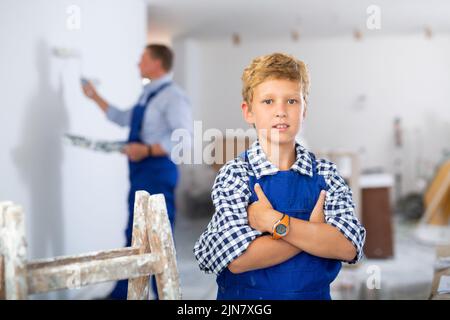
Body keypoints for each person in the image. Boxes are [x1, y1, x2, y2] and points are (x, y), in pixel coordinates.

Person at [193, 52, 366, 300]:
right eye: (268, 101)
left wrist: (273, 221)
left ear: (304, 108)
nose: (281, 111)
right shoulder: (235, 175)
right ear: (248, 111)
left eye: (292, 101)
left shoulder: (327, 174)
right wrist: (315, 233)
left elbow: (349, 246)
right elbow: (239, 260)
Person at [82, 44, 192, 299]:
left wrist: (147, 150)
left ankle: (161, 293)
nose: (137, 63)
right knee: (136, 233)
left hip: (158, 171)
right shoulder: (147, 95)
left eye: (142, 59)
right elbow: (123, 118)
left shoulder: (173, 97)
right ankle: (129, 293)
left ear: (157, 63)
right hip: (141, 172)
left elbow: (184, 139)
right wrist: (94, 96)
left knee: (157, 236)